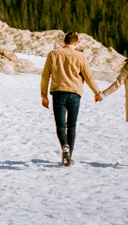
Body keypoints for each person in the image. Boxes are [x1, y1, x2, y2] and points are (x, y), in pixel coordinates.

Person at [40, 32, 103, 166]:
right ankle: (69, 156)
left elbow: (45, 75)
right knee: (72, 126)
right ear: (75, 44)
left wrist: (44, 95)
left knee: (60, 125)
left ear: (64, 41)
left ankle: (64, 145)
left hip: (58, 93)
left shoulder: (53, 54)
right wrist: (97, 92)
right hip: (74, 94)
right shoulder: (81, 57)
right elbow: (88, 77)